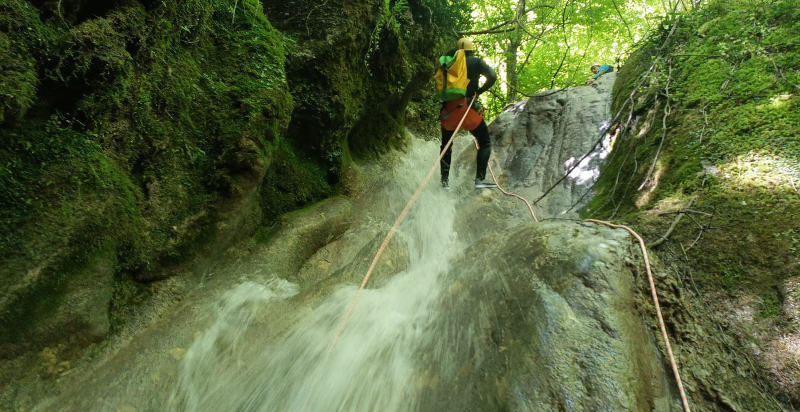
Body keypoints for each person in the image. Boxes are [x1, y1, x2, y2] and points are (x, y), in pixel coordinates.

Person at [439, 38, 498, 189]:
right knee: (484, 142)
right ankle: (479, 180)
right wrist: (479, 92)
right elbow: (492, 76)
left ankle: (444, 183)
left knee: (446, 145)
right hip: (468, 109)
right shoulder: (476, 62)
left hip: (448, 111)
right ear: (472, 50)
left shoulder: (449, 63)